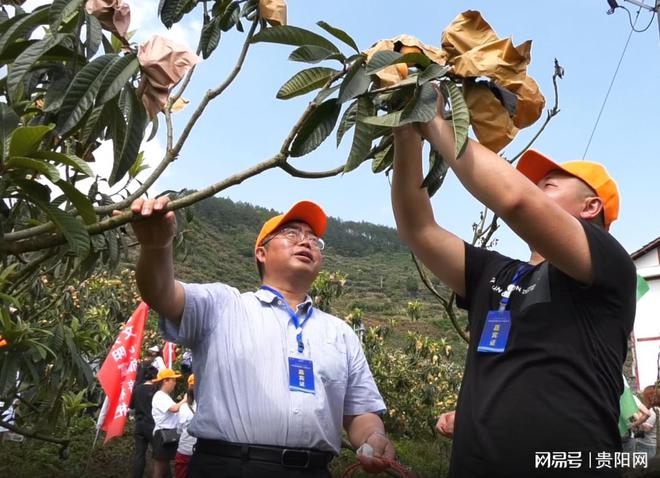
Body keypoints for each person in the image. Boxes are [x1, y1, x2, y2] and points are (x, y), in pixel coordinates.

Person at [391, 88, 636, 477]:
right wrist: (406, 135)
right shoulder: (496, 273)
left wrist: (435, 122)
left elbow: (515, 200)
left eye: (550, 185)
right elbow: (417, 227)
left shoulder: (609, 265)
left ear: (591, 207)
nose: (535, 189)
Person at [124, 198, 394, 478]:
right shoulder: (223, 305)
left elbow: (359, 412)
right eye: (292, 234)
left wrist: (373, 436)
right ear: (261, 253)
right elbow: (162, 293)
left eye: (314, 239)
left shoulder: (341, 333)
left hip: (313, 471)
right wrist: (156, 248)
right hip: (227, 467)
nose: (306, 242)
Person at [151, 368, 187, 478]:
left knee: (165, 469)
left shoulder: (165, 396)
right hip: (163, 435)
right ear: (165, 381)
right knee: (160, 469)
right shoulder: (159, 396)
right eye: (173, 380)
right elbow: (174, 409)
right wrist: (185, 400)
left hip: (168, 434)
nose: (175, 383)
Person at [131, 365, 158, 478]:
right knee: (160, 455)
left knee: (139, 455)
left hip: (139, 425)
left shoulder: (137, 389)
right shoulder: (156, 391)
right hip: (151, 425)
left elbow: (131, 406)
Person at [175, 374, 197, 478]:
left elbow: (179, 429)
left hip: (184, 450)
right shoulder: (207, 406)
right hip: (200, 450)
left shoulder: (183, 407)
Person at [633, 386, 659, 458]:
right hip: (651, 445)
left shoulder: (653, 410)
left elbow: (647, 428)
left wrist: (636, 421)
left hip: (647, 446)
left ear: (649, 396)